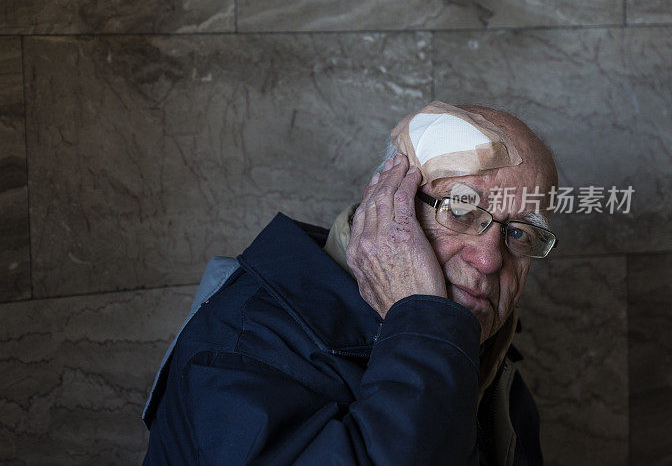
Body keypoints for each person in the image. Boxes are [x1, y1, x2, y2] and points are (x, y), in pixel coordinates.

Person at [142, 103, 557, 465]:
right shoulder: (242, 343)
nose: (487, 259)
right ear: (385, 205)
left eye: (519, 233)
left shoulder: (491, 353)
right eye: (461, 209)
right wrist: (422, 320)